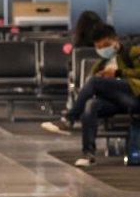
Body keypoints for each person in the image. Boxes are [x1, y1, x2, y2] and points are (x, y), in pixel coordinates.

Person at [42, 24, 140, 167]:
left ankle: (69, 120)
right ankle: (88, 155)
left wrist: (118, 74)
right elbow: (91, 83)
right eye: (99, 47)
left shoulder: (132, 52)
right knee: (90, 105)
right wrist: (104, 78)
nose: (103, 49)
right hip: (117, 101)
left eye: (106, 45)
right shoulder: (102, 63)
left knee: (94, 82)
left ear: (116, 40)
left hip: (135, 97)